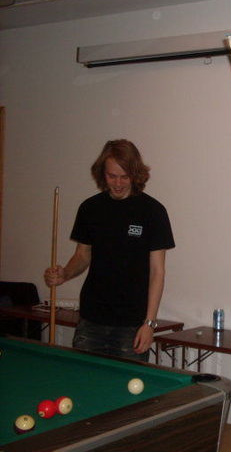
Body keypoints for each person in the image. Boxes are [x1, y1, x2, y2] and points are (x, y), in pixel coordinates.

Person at [44, 139, 175, 361]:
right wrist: (65, 273)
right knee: (85, 379)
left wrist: (149, 323)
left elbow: (157, 273)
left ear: (135, 174)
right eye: (112, 176)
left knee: (129, 383)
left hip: (132, 324)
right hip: (91, 319)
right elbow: (82, 255)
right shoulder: (90, 208)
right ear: (102, 174)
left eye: (125, 176)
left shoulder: (153, 212)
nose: (118, 183)